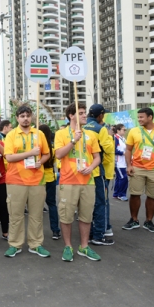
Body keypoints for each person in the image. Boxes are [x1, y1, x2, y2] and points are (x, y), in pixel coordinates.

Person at [55, 102, 102, 262]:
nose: (84, 116)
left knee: (86, 216)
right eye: (81, 113)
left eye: (84, 113)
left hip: (88, 181)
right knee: (66, 216)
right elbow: (59, 155)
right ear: (71, 116)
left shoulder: (91, 135)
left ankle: (84, 246)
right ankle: (68, 246)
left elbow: (97, 158)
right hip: (68, 181)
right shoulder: (61, 134)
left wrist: (91, 168)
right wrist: (73, 140)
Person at [3, 106, 51, 258]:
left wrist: (40, 162)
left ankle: (35, 244)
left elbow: (47, 154)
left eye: (28, 116)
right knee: (15, 215)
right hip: (15, 180)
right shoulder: (11, 135)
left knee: (36, 215)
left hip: (37, 180)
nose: (25, 118)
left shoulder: (39, 134)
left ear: (32, 117)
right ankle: (15, 244)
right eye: (22, 116)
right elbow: (9, 157)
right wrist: (30, 154)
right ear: (17, 118)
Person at [123, 107, 154, 233]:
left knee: (152, 197)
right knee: (135, 194)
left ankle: (149, 221)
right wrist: (129, 165)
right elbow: (128, 149)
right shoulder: (134, 131)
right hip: (137, 168)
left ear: (150, 117)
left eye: (141, 117)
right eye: (138, 117)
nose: (139, 119)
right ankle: (134, 219)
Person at [84, 104, 115, 246]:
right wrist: (109, 136)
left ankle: (90, 233)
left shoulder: (81, 127)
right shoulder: (100, 129)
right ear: (100, 115)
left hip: (83, 169)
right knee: (101, 203)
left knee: (88, 204)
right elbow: (109, 149)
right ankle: (99, 235)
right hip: (97, 169)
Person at [39, 124, 61, 240]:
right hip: (50, 178)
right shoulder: (52, 149)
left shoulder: (38, 149)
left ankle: (37, 233)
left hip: (38, 179)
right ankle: (55, 230)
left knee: (37, 207)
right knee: (52, 204)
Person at [113, 124, 129, 201]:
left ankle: (116, 193)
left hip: (124, 162)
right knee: (124, 178)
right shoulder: (115, 138)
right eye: (123, 130)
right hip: (118, 162)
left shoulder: (123, 138)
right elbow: (114, 150)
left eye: (125, 130)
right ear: (118, 130)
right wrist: (123, 153)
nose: (125, 131)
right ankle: (121, 194)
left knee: (119, 178)